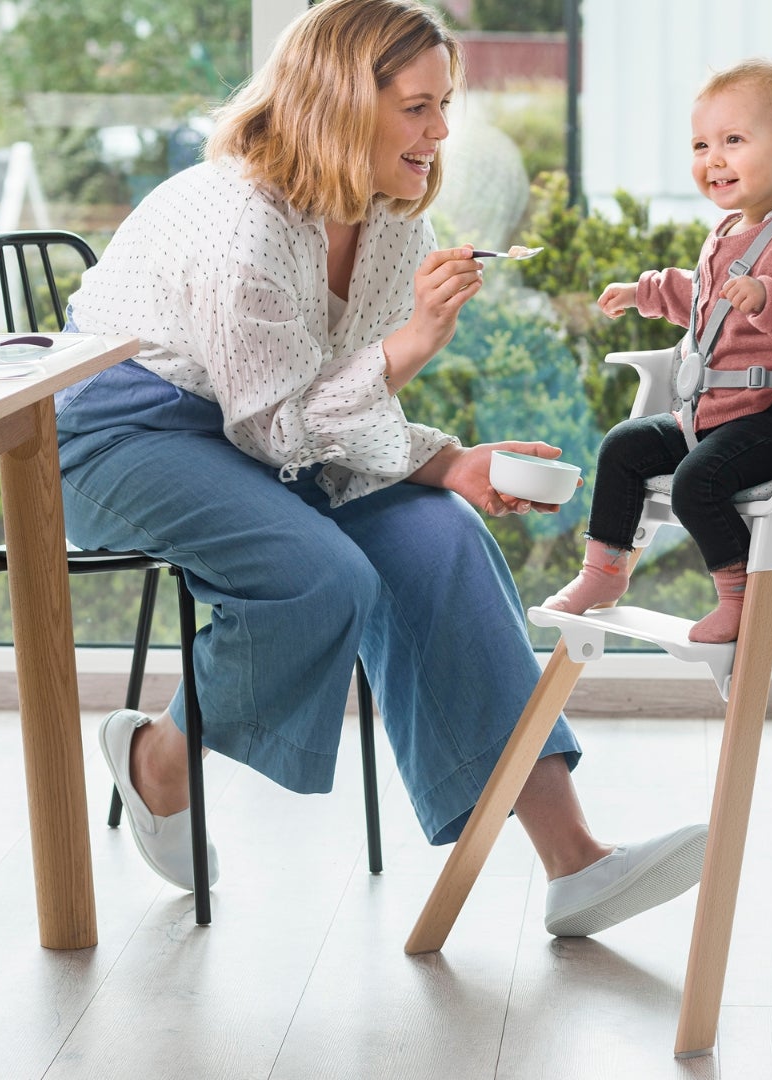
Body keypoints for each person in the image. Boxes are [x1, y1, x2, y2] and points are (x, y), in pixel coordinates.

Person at [56, 0, 705, 938]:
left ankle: (575, 864)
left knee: (443, 540)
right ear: (337, 102)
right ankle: (160, 757)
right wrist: (410, 350)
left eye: (445, 105)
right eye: (416, 107)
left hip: (262, 430)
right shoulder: (239, 225)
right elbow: (282, 430)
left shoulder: (395, 221)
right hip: (127, 436)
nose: (441, 130)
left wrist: (445, 465)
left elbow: (326, 406)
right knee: (320, 576)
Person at [543, 60, 772, 643]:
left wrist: (769, 297)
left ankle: (739, 596)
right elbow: (704, 299)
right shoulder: (729, 231)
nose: (713, 157)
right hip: (713, 413)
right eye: (701, 144)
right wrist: (647, 292)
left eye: (733, 140)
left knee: (695, 482)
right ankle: (604, 571)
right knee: (623, 446)